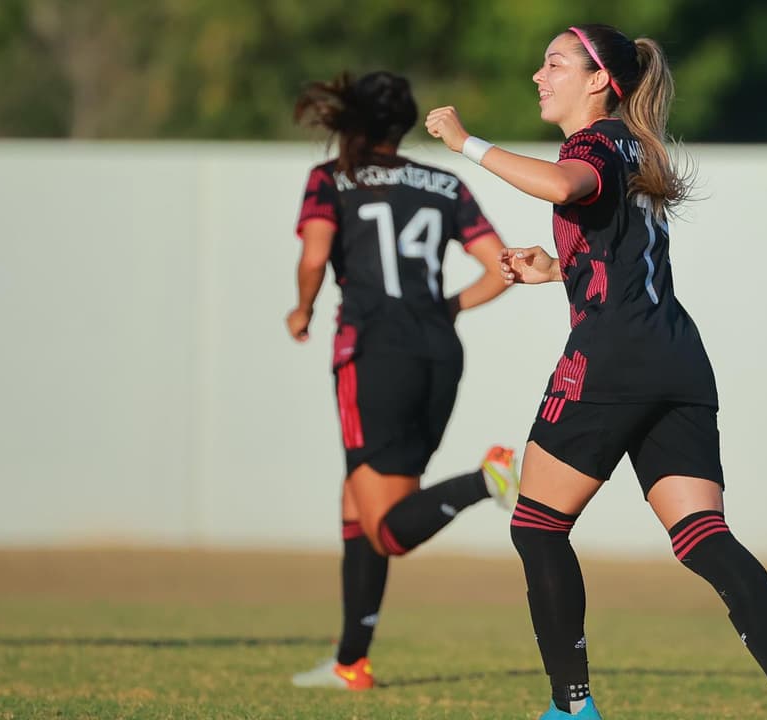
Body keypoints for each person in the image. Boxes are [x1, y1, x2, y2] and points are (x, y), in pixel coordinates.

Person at [426, 24, 767, 720]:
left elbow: (562, 182)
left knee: (536, 525)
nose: (538, 75)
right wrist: (554, 270)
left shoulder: (591, 144)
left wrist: (467, 143)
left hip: (612, 358)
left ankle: (572, 707)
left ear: (597, 82)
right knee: (701, 533)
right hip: (676, 356)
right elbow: (623, 263)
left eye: (553, 62)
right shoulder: (635, 147)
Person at [285, 70, 520, 691]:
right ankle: (350, 663)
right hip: (438, 354)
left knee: (386, 530)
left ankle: (483, 480)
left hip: (372, 355)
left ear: (352, 122)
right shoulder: (443, 183)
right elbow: (500, 267)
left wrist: (303, 309)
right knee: (358, 507)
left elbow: (314, 256)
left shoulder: (331, 180)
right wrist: (450, 307)